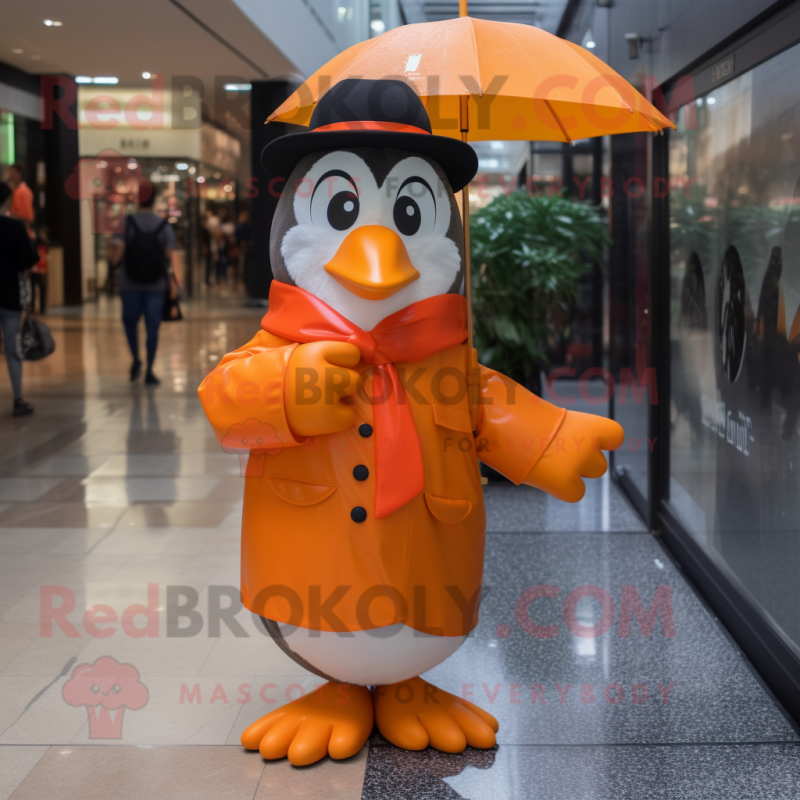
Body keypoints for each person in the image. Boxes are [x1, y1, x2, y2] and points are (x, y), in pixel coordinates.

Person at [110, 187, 175, 385]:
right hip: (156, 284)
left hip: (130, 283)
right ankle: (149, 370)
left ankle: (136, 359)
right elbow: (169, 257)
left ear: (137, 200)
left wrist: (111, 257)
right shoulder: (163, 225)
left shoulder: (126, 223)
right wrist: (172, 283)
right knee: (152, 327)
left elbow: (117, 254)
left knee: (130, 322)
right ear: (154, 201)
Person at [0, 181, 37, 416]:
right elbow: (27, 261)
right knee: (13, 348)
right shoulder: (14, 227)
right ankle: (17, 398)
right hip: (8, 295)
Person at [6, 164, 34, 229]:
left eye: (13, 173)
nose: (10, 175)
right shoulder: (16, 190)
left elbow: (26, 216)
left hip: (20, 230)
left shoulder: (23, 192)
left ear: (19, 174)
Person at [32, 236, 48, 313]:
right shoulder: (44, 248)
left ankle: (32, 308)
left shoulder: (34, 247)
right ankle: (42, 309)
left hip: (35, 271)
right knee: (42, 291)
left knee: (33, 291)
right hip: (42, 271)